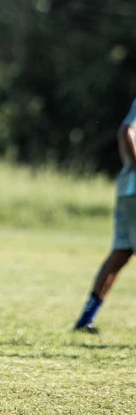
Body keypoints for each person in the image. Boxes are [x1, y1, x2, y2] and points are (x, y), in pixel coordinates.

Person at [74, 98, 136, 333]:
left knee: (120, 253)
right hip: (134, 190)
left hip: (128, 190)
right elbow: (127, 131)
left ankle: (85, 319)